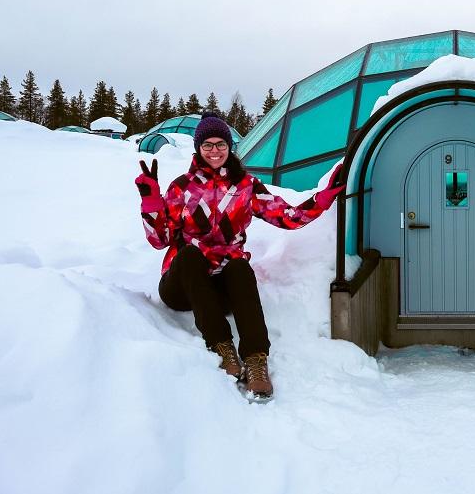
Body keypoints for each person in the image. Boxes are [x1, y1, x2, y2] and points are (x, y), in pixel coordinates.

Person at [134, 112, 343, 399]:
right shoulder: (182, 187)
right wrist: (151, 200)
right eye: (208, 145)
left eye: (220, 144)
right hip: (183, 286)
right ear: (198, 148)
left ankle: (256, 359)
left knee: (240, 267)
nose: (214, 150)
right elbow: (160, 240)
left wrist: (323, 198)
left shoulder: (246, 187)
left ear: (230, 147)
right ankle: (222, 347)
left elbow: (287, 217)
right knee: (189, 256)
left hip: (222, 288)